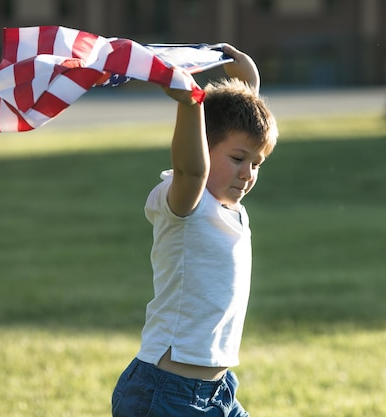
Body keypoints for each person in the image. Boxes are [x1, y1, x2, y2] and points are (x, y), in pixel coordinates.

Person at [111, 44, 278, 417]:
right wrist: (190, 103)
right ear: (203, 147)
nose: (247, 174)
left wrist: (248, 76)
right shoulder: (186, 202)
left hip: (217, 392)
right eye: (238, 160)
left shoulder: (228, 208)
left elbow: (242, 125)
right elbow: (192, 168)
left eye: (257, 164)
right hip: (166, 394)